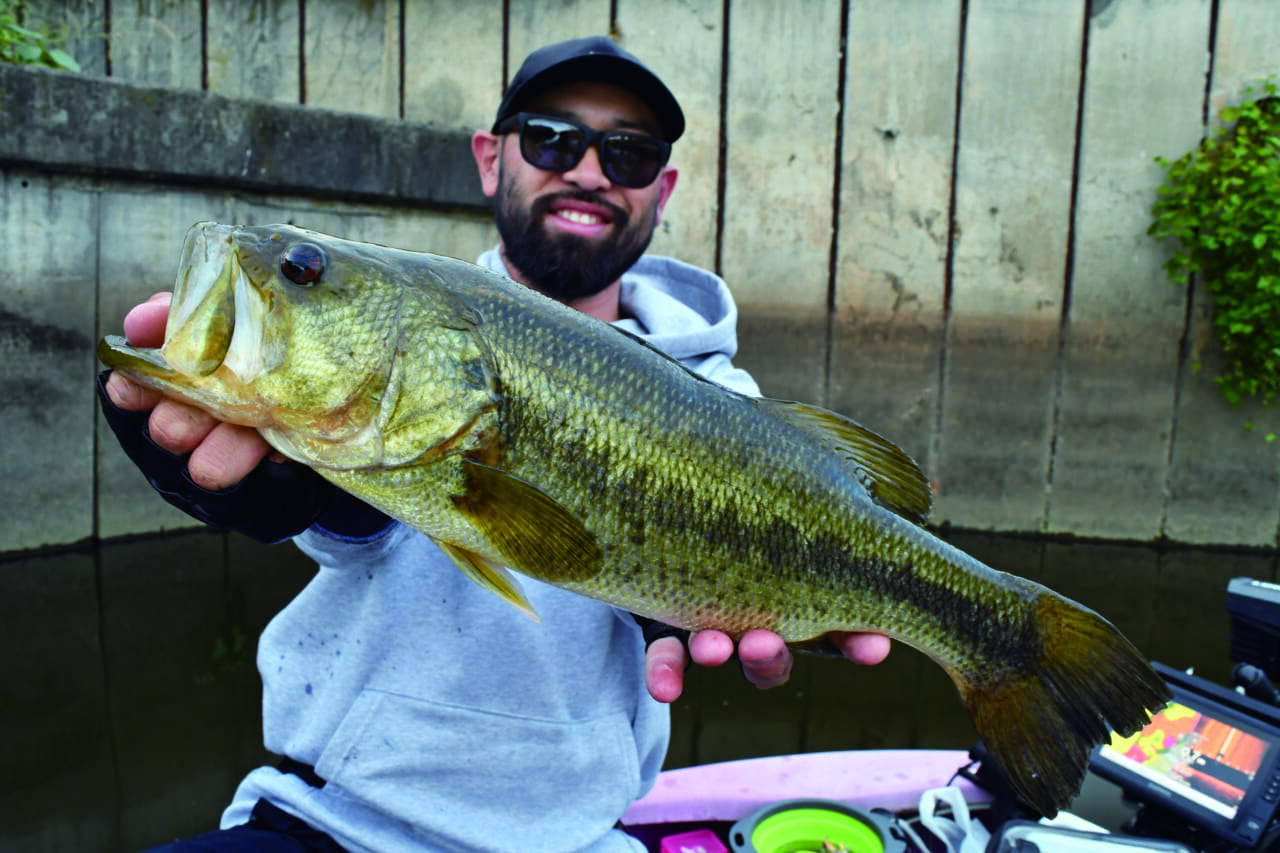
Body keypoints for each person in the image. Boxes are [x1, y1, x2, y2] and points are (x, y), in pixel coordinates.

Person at [98, 36, 890, 853]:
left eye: (629, 151)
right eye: (552, 137)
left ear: (664, 185)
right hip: (331, 823)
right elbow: (360, 510)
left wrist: (708, 599)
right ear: (490, 156)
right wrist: (299, 486)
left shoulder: (733, 412)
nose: (587, 170)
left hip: (579, 837)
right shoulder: (419, 319)